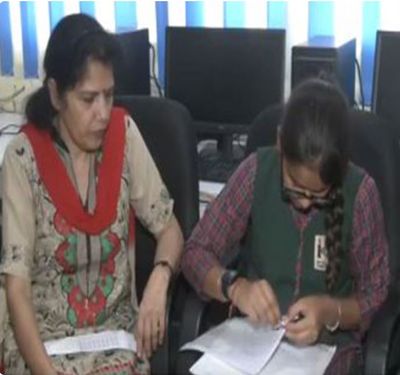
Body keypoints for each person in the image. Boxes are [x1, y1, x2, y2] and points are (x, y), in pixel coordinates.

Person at [0, 13, 183, 375]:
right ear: (55, 93)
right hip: (42, 348)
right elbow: (16, 286)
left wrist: (159, 281)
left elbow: (170, 230)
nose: (102, 113)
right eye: (88, 99)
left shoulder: (124, 134)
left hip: (114, 341)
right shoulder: (23, 158)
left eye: (109, 95)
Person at [181, 78, 390, 374]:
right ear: (280, 143)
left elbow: (376, 294)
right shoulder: (256, 172)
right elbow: (195, 252)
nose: (304, 204)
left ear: (341, 168)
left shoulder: (361, 193)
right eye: (294, 188)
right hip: (252, 343)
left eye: (318, 196)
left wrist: (329, 311)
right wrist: (234, 287)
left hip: (329, 350)